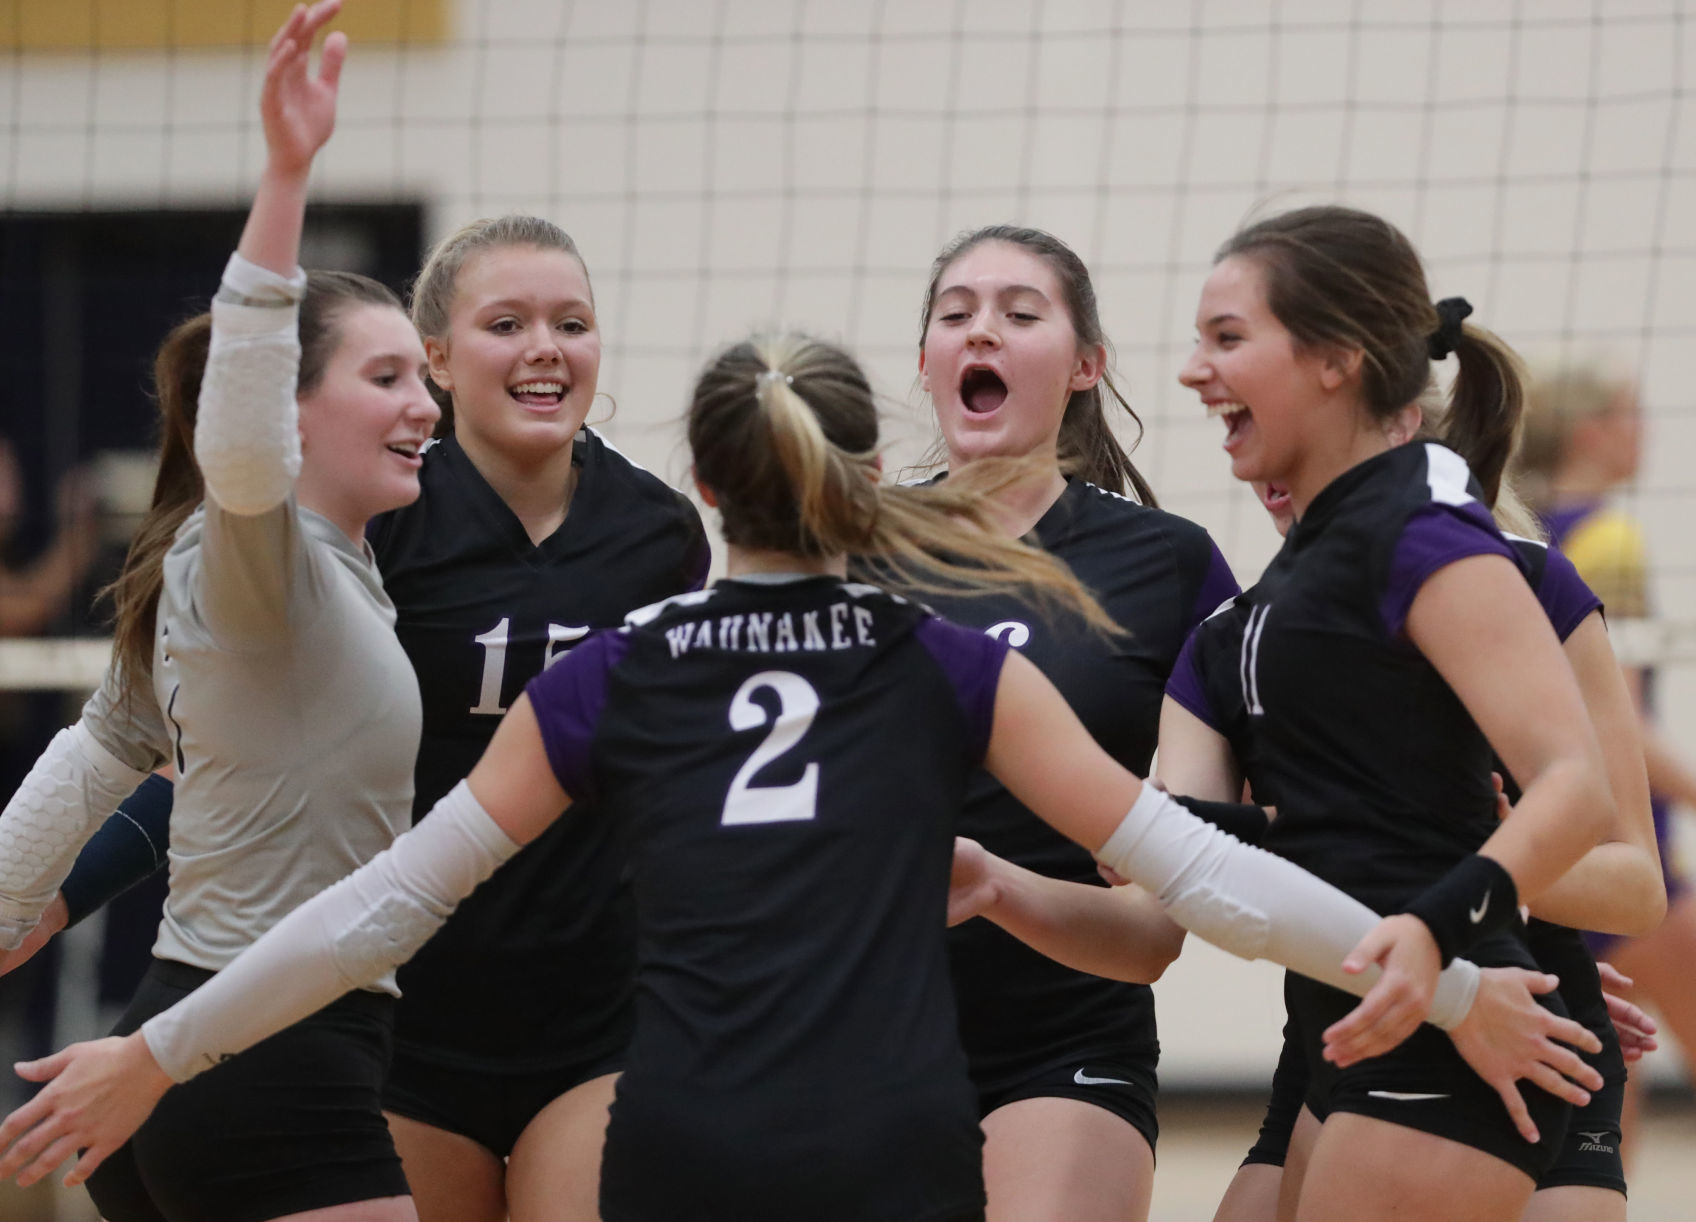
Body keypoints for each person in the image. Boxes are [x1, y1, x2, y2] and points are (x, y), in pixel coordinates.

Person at [0, 331, 1598, 1222]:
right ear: (858, 477)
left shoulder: (611, 673)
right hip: (895, 1148)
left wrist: (162, 1046)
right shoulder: (951, 663)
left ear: (701, 485)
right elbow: (1198, 874)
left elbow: (376, 908)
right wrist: (1456, 986)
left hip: (685, 1145)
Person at [0, 4, 439, 1218]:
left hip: (209, 1033)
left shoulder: (310, 569)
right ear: (291, 411)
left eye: (424, 377)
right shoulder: (261, 552)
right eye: (387, 377)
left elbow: (99, 750)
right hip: (265, 1068)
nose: (425, 405)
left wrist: (9, 906)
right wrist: (286, 175)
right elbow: (240, 438)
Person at [1166, 205, 1614, 1222]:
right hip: (1358, 1024)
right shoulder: (1317, 553)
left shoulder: (1419, 528)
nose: (1194, 368)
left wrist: (1429, 930)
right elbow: (1346, 819)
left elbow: (1575, 787)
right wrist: (1160, 825)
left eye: (1227, 338)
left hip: (1450, 1025)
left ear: (1334, 360)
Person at [1200, 416, 1662, 1222]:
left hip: (1529, 1015)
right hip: (1339, 1030)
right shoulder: (1243, 632)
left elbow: (1634, 889)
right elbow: (1247, 865)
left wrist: (1493, 892)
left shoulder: (1532, 583)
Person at [905, 224, 1235, 1222]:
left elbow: (1247, 827)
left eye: (1019, 313)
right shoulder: (845, 551)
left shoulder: (1167, 562)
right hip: (856, 1025)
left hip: (1065, 1031)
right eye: (955, 314)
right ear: (926, 361)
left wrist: (1482, 939)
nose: (982, 333)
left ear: (1086, 365)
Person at [1514, 358, 1696, 1169]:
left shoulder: (1518, 532)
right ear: (1592, 431)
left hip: (1547, 842)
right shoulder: (1609, 538)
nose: (1644, 432)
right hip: (1626, 851)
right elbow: (1615, 718)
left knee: (1609, 1071)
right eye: (1632, 414)